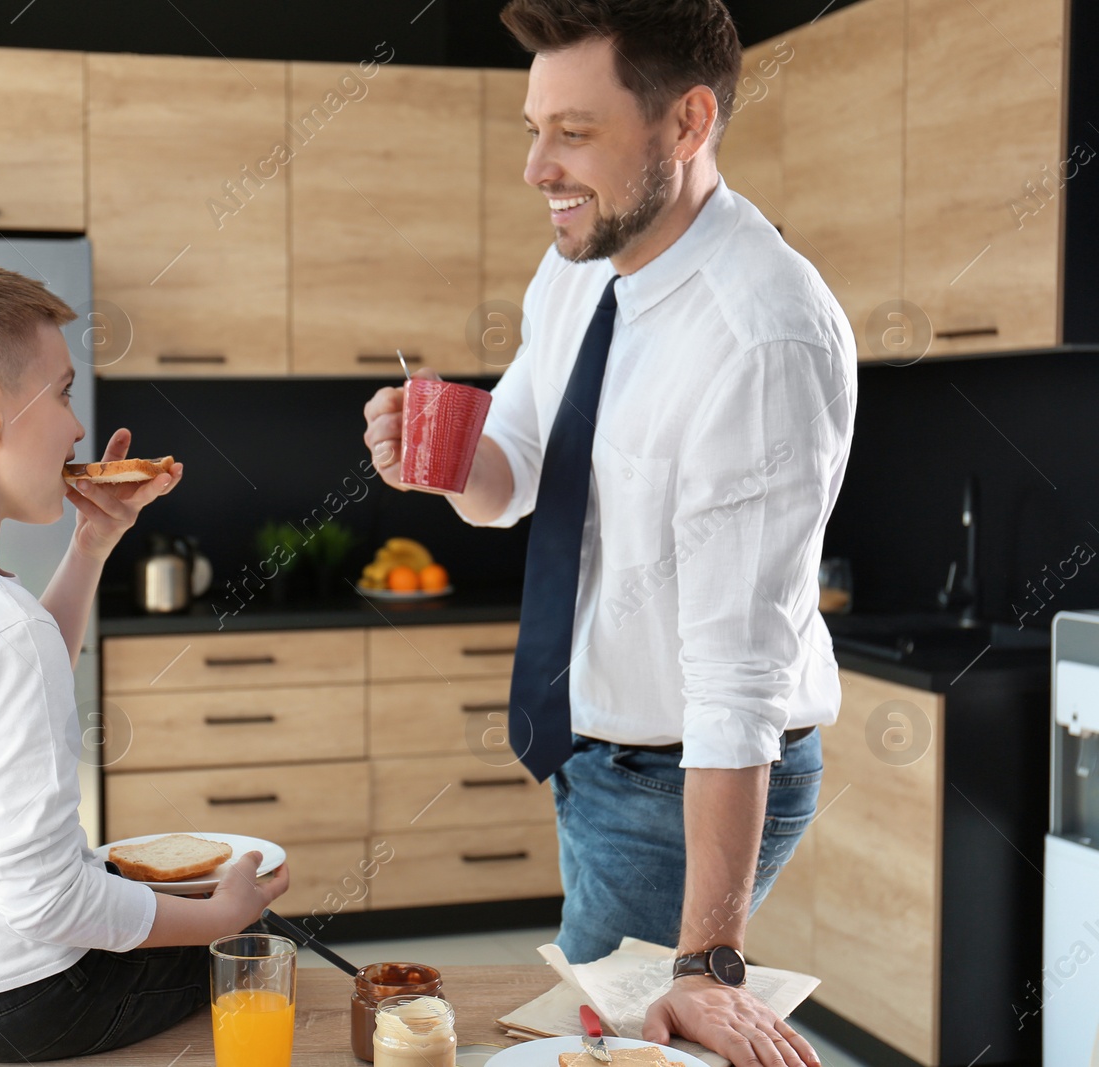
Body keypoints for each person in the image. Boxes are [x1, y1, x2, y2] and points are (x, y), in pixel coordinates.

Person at [362, 3, 854, 1066]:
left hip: (684, 772)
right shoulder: (581, 264)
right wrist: (441, 461)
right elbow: (518, 467)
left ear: (685, 124)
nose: (538, 166)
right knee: (599, 1033)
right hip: (595, 746)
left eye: (573, 132)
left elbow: (735, 677)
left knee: (616, 1044)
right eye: (534, 128)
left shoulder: (759, 334)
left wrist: (706, 962)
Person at [0, 251, 288, 1062]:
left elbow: (4, 697)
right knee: (263, 939)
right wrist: (219, 918)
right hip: (24, 1000)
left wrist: (93, 543)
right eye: (63, 392)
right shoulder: (1, 630)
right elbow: (45, 902)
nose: (76, 427)